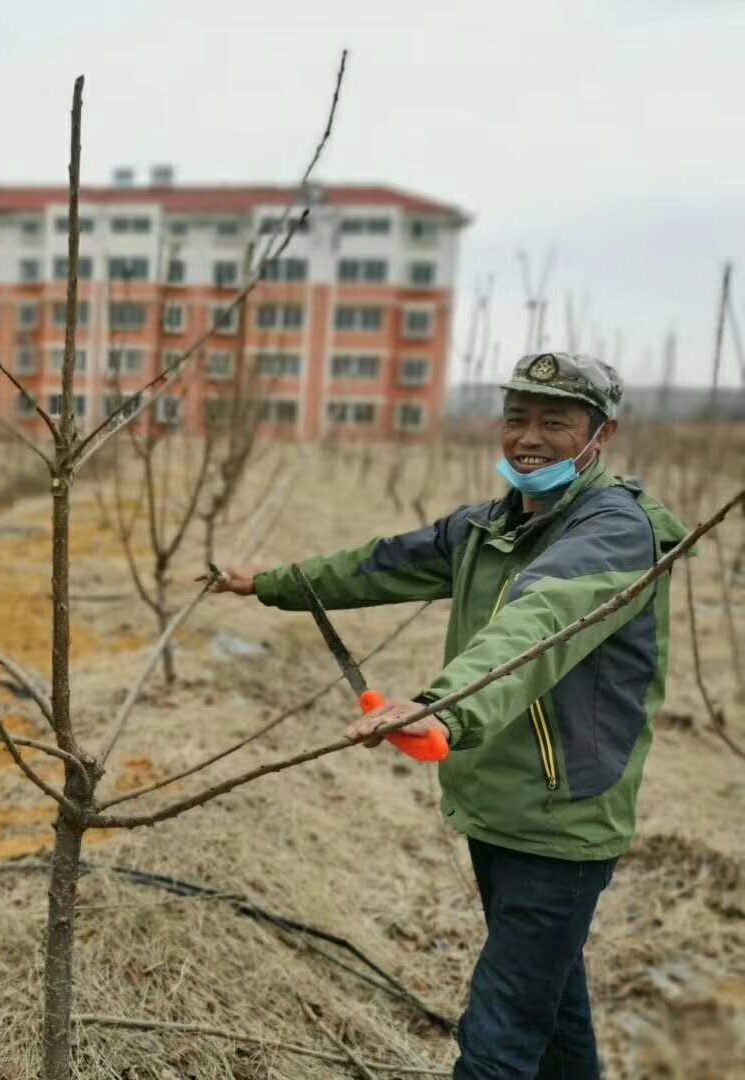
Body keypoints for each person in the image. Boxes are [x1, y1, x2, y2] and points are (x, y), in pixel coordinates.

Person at [206, 353, 687, 1079]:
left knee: (499, 1035)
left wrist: (443, 708)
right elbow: (381, 563)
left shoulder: (613, 530)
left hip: (564, 817)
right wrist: (267, 585)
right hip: (496, 799)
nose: (530, 436)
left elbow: (540, 620)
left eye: (555, 421)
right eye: (517, 418)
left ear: (602, 432)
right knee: (552, 1011)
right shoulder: (490, 526)